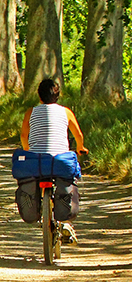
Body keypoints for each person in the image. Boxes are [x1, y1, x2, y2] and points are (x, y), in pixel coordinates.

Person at [20, 78, 87, 243]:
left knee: (35, 178)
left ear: (39, 96)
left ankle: (38, 209)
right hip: (60, 161)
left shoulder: (31, 112)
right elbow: (78, 135)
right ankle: (64, 221)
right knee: (66, 179)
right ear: (58, 96)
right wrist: (80, 147)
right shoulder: (66, 112)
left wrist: (27, 151)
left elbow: (23, 135)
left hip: (37, 161)